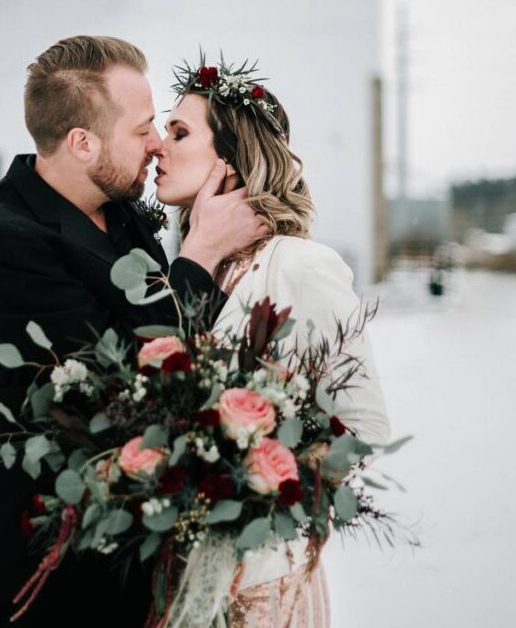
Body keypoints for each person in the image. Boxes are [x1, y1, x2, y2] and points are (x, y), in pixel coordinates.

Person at [0, 36, 267, 628]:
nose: (156, 144)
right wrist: (200, 254)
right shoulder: (2, 239)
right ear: (83, 143)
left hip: (142, 554)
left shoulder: (120, 208)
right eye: (143, 128)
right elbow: (117, 382)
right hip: (46, 565)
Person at [154, 57, 391, 628]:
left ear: (231, 160)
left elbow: (365, 426)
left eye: (179, 133)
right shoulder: (183, 269)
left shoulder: (300, 266)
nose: (158, 147)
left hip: (262, 587)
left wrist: (261, 488)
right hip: (177, 574)